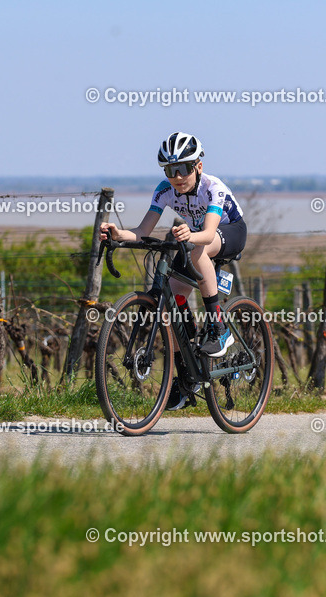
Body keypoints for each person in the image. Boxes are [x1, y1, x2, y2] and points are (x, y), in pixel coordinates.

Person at [99, 132, 248, 408]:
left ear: (198, 167)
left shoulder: (212, 188)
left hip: (228, 232)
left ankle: (218, 327)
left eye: (183, 169)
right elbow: (143, 231)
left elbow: (208, 233)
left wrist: (188, 235)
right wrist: (119, 234)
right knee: (170, 310)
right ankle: (185, 381)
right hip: (193, 237)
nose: (177, 177)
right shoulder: (164, 191)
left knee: (198, 247)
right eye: (170, 170)